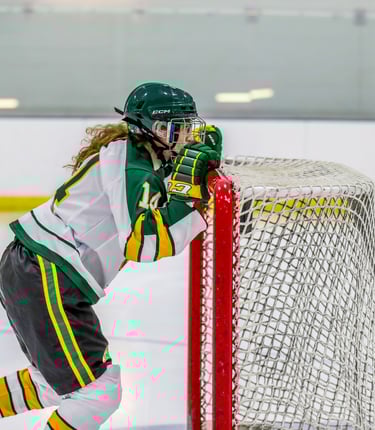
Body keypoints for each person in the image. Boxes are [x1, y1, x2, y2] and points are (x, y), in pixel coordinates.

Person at [0, 82, 222, 428]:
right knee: (98, 393)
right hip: (45, 272)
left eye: (186, 127)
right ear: (147, 129)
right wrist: (188, 198)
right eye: (173, 129)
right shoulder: (133, 166)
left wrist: (183, 188)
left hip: (32, 267)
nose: (183, 138)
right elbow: (143, 243)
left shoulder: (133, 155)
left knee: (55, 381)